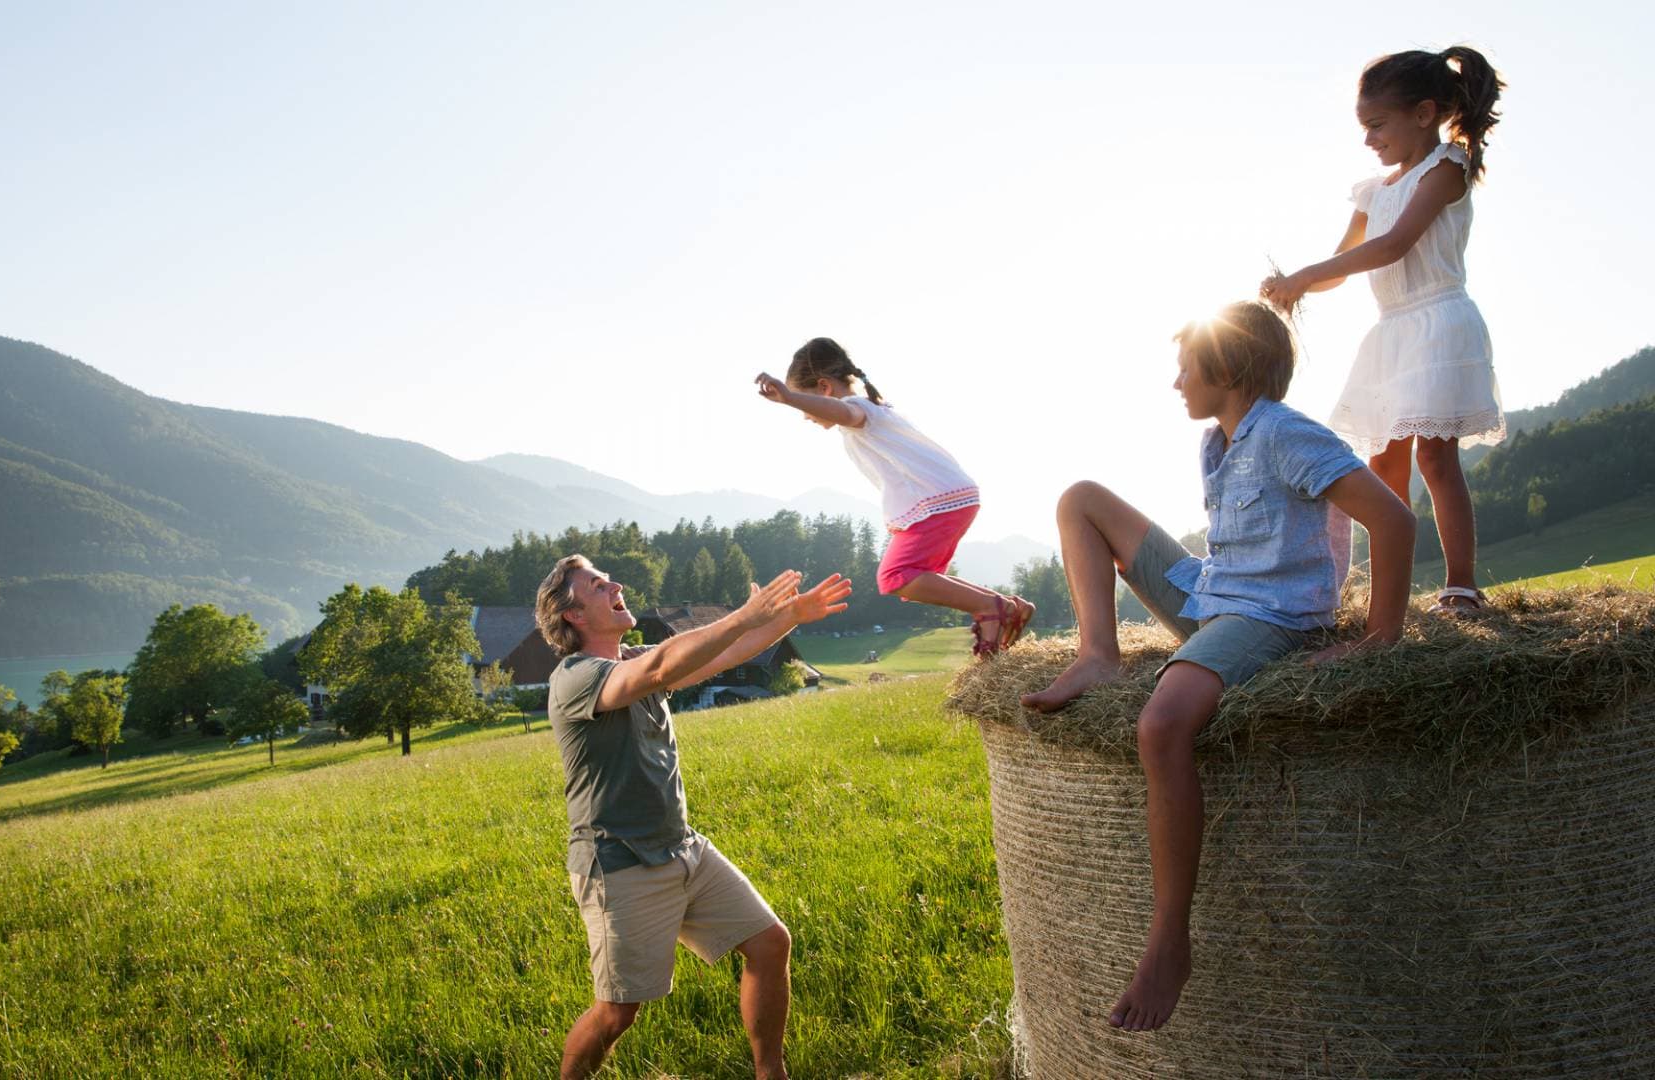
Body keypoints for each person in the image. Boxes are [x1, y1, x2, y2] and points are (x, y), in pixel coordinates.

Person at [1019, 301, 1415, 1032]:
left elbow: (1392, 518)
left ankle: (1171, 937)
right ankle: (1098, 656)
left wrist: (1379, 638)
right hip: (1214, 592)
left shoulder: (1287, 435)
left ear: (1228, 368)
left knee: (1161, 724)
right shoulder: (1220, 440)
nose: (1176, 381)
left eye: (1187, 366)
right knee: (1081, 500)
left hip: (1268, 618)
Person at [536, 555, 851, 1079]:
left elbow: (720, 654)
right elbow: (660, 668)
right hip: (619, 863)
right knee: (618, 1012)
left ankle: (771, 1074)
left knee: (770, 942)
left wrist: (789, 617)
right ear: (573, 616)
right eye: (596, 585)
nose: (615, 584)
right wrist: (749, 614)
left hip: (682, 847)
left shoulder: (630, 660)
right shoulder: (575, 679)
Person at [1262, 46, 1506, 612]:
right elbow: (1342, 264)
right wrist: (1289, 287)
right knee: (1383, 465)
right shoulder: (1374, 191)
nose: (1369, 139)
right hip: (1390, 332)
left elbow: (1394, 247)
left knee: (1436, 458)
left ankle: (1461, 583)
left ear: (1424, 113)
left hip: (1438, 322)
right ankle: (1385, 592)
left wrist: (1307, 275)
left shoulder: (1446, 168)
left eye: (1376, 125)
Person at [755, 337, 1033, 658]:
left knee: (895, 576)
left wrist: (790, 398)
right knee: (919, 578)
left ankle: (990, 608)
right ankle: (1007, 607)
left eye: (807, 404)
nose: (806, 415)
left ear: (824, 387)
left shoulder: (859, 411)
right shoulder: (875, 411)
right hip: (949, 496)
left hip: (935, 500)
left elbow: (843, 413)